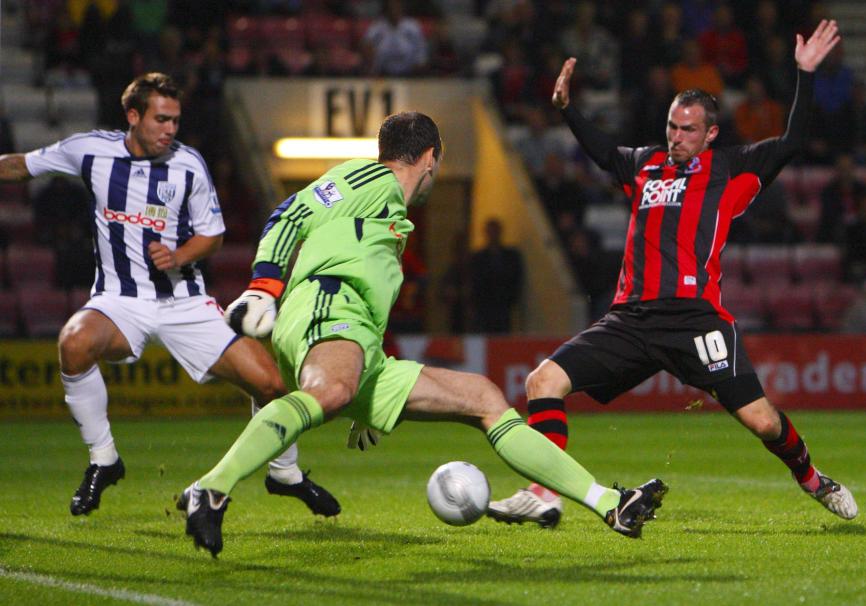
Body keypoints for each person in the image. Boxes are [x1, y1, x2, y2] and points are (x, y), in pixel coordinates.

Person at [176, 111, 666, 557]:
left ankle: (609, 503)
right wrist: (263, 288)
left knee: (485, 396)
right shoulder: (370, 176)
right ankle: (212, 487)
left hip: (356, 335)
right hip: (324, 304)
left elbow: (366, 296)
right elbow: (290, 214)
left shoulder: (390, 215)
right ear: (431, 158)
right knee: (331, 390)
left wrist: (362, 379)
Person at [487, 20, 858, 528]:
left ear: (711, 133)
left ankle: (814, 479)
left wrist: (806, 75)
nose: (676, 137)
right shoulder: (643, 166)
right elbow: (601, 152)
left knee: (763, 421)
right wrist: (567, 109)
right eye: (671, 126)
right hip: (631, 319)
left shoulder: (733, 168)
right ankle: (544, 492)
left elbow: (795, 140)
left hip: (696, 321)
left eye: (687, 129)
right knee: (542, 381)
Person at [0, 73, 338, 519]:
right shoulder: (91, 150)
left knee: (272, 385)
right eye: (161, 119)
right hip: (120, 300)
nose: (170, 130)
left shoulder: (188, 164)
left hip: (185, 302)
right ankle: (104, 460)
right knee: (74, 343)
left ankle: (284, 474)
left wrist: (179, 255)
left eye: (176, 121)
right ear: (133, 116)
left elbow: (213, 236)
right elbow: (21, 164)